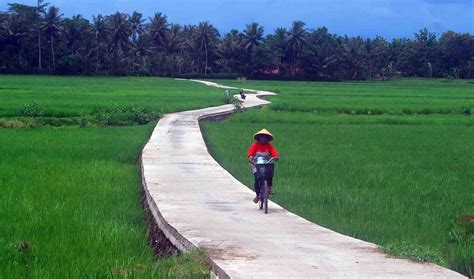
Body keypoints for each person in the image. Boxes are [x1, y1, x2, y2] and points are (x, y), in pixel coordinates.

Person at [247, 129, 279, 203]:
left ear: (267, 139)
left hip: (266, 163)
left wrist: (276, 156)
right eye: (262, 137)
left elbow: (274, 153)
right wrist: (251, 157)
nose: (263, 139)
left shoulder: (269, 146)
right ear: (259, 138)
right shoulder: (255, 145)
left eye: (265, 138)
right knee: (257, 179)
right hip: (256, 164)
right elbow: (250, 153)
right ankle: (257, 196)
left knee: (269, 174)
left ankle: (269, 188)